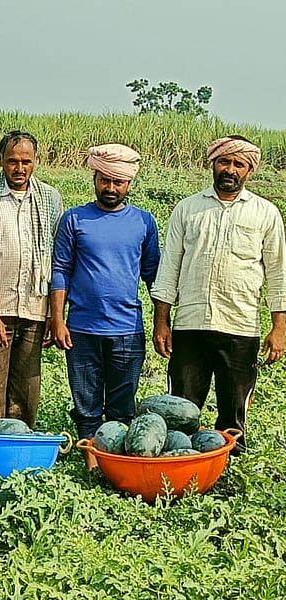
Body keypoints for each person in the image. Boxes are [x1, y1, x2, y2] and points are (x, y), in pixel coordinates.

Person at [151, 136, 286, 453]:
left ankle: (228, 466)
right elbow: (169, 267)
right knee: (182, 410)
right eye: (224, 161)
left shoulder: (265, 213)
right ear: (212, 163)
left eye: (238, 164)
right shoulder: (188, 209)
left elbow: (279, 273)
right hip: (190, 325)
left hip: (240, 327)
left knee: (233, 412)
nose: (230, 169)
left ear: (249, 171)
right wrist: (161, 322)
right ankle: (181, 466)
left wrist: (279, 328)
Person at [49, 144, 159, 440]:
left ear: (128, 184)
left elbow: (153, 276)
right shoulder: (74, 219)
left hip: (127, 329)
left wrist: (163, 322)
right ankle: (91, 456)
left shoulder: (144, 222)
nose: (111, 187)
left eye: (118, 182)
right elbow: (60, 270)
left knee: (122, 407)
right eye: (104, 180)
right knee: (86, 404)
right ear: (95, 179)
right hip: (82, 329)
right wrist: (57, 320)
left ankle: (117, 460)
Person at [0, 131, 64, 427]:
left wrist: (52, 312)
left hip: (34, 307)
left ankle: (20, 448)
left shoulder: (49, 198)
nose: (19, 169)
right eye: (12, 161)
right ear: (0, 161)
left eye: (26, 161)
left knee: (26, 389)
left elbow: (55, 255)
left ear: (36, 162)